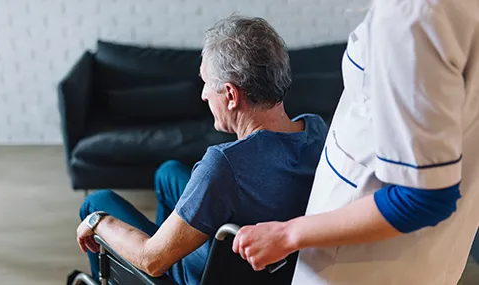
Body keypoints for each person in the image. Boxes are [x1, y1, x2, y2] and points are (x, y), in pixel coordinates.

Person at [232, 1, 479, 284]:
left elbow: (423, 198)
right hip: (426, 254)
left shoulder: (412, 14)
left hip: (360, 263)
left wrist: (287, 234)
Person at [75, 15, 328, 285]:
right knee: (168, 173)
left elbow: (151, 259)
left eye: (207, 83)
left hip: (198, 274)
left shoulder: (224, 165)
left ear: (231, 96)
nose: (203, 95)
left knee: (97, 202)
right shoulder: (315, 129)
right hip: (267, 267)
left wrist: (97, 221)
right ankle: (173, 236)